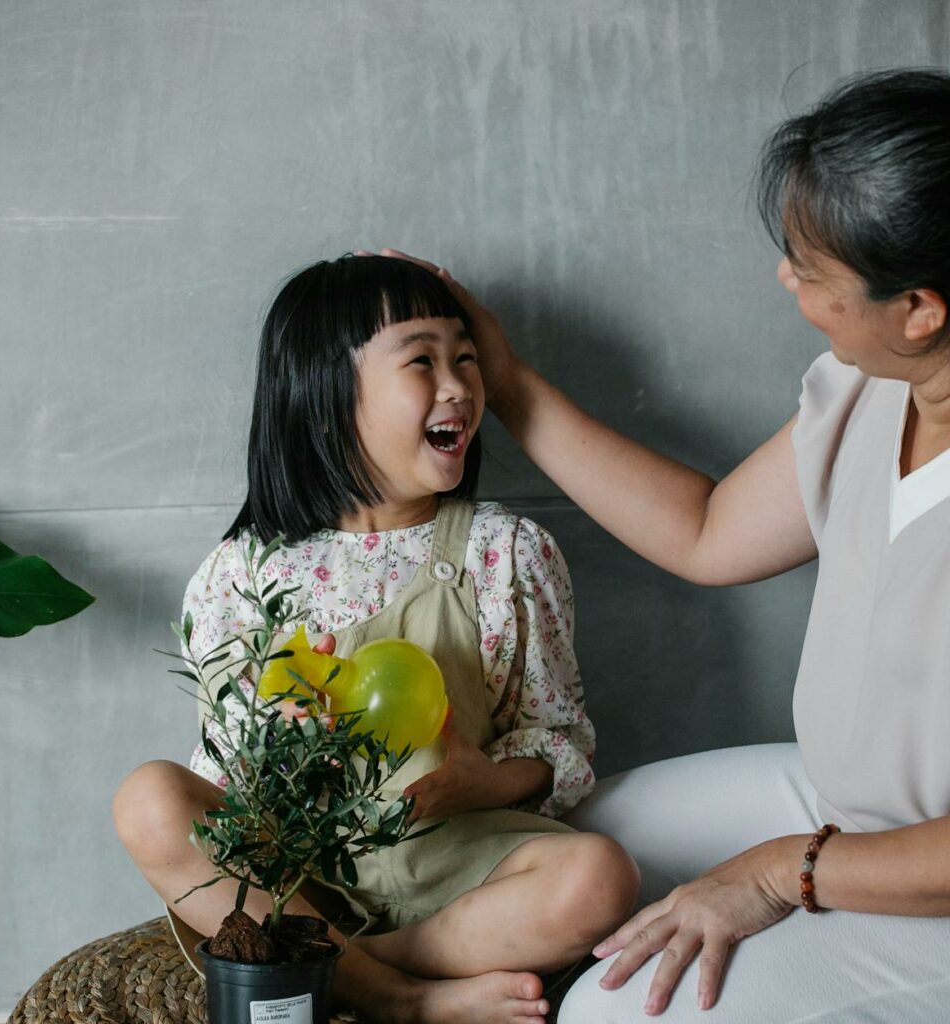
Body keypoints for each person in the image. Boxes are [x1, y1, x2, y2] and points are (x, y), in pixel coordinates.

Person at [381, 68, 950, 1021]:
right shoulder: (868, 389)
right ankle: (368, 971)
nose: (786, 279)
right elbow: (707, 531)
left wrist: (778, 875)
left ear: (921, 309)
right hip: (844, 799)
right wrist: (505, 378)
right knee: (570, 836)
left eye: (810, 270)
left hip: (926, 876)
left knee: (612, 1009)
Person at [113, 254, 639, 1024]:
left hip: (463, 867)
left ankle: (344, 965)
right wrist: (273, 742)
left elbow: (559, 740)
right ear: (325, 403)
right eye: (422, 360)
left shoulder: (508, 551)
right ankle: (400, 1000)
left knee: (601, 878)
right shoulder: (243, 573)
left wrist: (479, 783)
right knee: (147, 799)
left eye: (466, 357)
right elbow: (219, 771)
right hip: (302, 880)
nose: (459, 384)